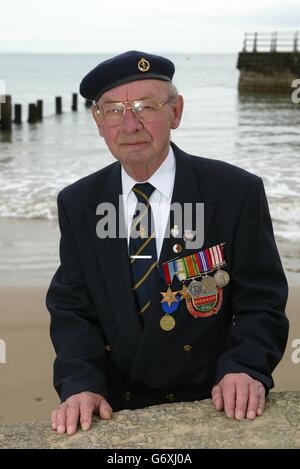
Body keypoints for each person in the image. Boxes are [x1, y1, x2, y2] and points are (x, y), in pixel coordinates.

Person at [46, 50, 289, 436]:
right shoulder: (79, 203)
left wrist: (245, 366)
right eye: (113, 110)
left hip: (210, 397)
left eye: (146, 106)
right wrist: (80, 382)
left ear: (176, 112)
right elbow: (73, 307)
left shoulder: (234, 192)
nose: (130, 124)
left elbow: (262, 299)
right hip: (116, 404)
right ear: (98, 122)